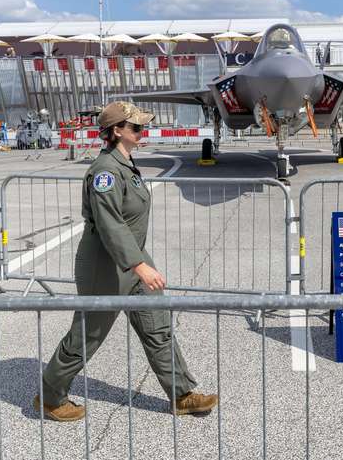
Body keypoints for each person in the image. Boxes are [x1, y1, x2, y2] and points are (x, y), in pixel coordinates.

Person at [36, 101, 218, 421]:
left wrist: (138, 263)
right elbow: (110, 224)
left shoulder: (125, 165)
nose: (141, 131)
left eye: (141, 127)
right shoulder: (105, 171)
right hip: (104, 267)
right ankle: (50, 397)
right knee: (87, 337)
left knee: (157, 327)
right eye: (135, 127)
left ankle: (181, 394)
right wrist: (139, 264)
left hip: (132, 262)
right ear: (117, 131)